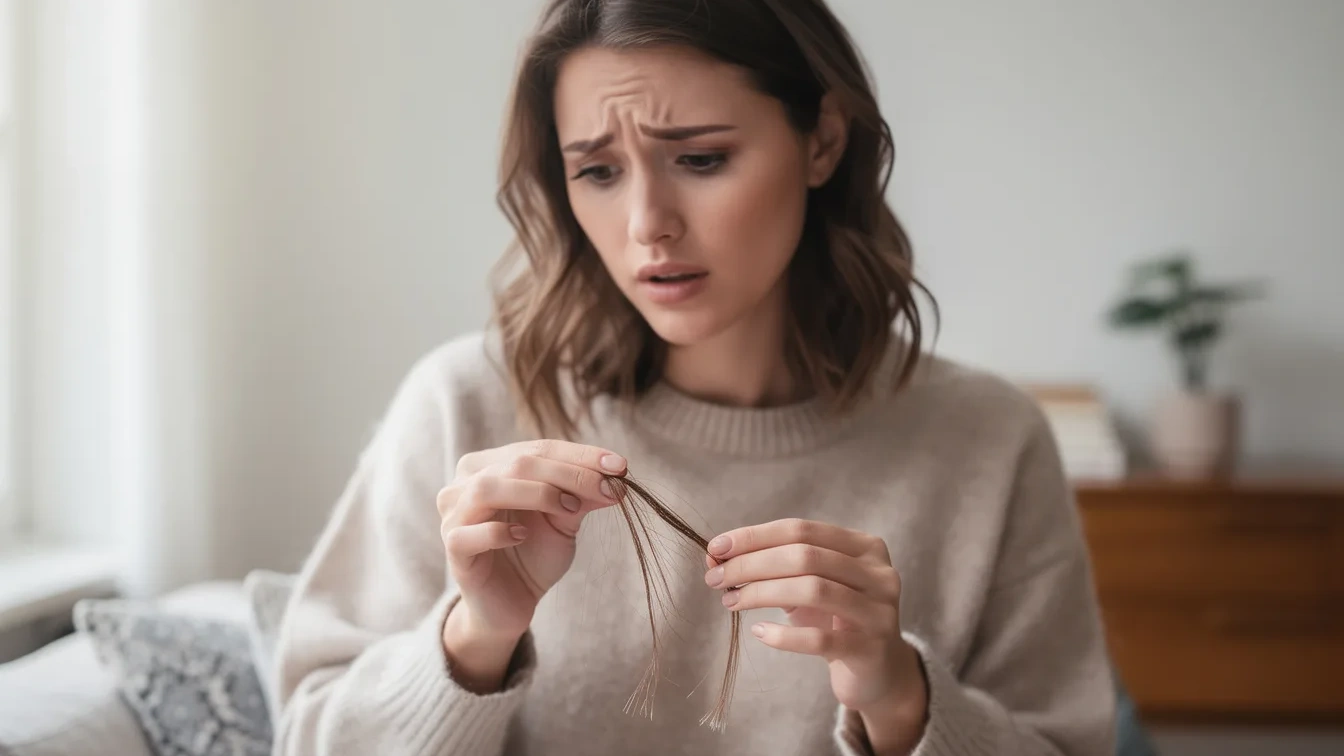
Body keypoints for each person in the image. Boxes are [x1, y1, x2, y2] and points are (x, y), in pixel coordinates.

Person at [270, 0, 1117, 754]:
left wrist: (901, 699)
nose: (647, 225)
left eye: (701, 159)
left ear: (822, 140)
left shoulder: (989, 443)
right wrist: (476, 634)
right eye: (597, 172)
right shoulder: (465, 408)